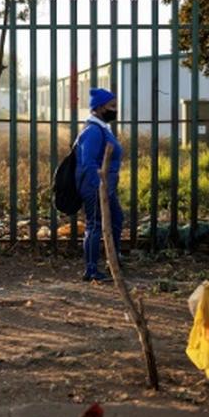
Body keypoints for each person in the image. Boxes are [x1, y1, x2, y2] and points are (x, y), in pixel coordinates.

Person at [76, 88, 122, 283]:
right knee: (94, 225)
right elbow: (88, 162)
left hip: (105, 186)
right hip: (95, 186)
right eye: (112, 106)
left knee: (117, 218)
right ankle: (91, 269)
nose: (115, 110)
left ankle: (113, 260)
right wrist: (99, 186)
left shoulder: (102, 128)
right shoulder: (93, 131)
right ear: (100, 107)